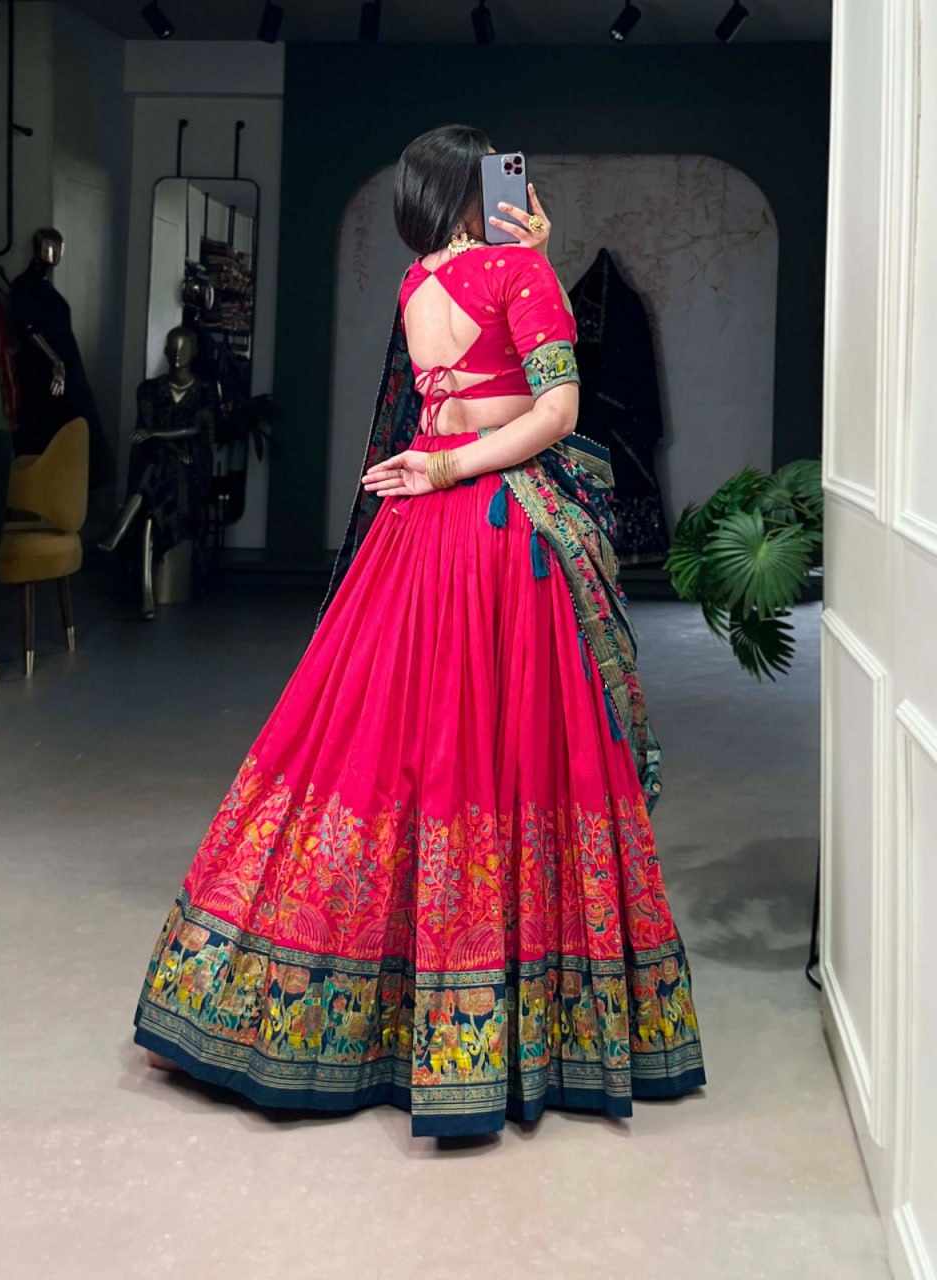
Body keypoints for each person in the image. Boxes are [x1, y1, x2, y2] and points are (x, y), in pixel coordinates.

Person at [132, 124, 707, 1138]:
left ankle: (342, 1007)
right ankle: (511, 1019)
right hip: (495, 533)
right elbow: (557, 413)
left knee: (387, 746)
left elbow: (448, 390)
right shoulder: (516, 272)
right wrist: (532, 274)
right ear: (479, 189)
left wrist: (436, 458)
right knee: (509, 754)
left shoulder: (415, 282)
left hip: (414, 531)